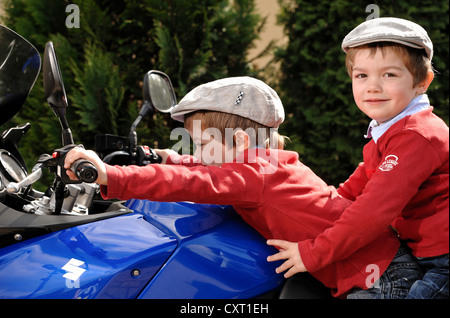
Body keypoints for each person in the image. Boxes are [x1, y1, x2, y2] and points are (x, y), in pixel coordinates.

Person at [64, 76, 415, 298]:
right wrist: (166, 156)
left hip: (381, 276)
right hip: (376, 259)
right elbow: (206, 169)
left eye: (202, 142)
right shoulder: (263, 164)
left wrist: (110, 175)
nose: (197, 152)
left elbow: (198, 182)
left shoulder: (254, 176)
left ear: (242, 140)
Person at [267, 17, 449, 299]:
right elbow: (348, 195)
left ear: (422, 82)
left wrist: (313, 253)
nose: (372, 86)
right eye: (361, 76)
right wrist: (307, 216)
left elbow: (372, 212)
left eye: (389, 75)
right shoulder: (386, 134)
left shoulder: (417, 136)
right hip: (422, 254)